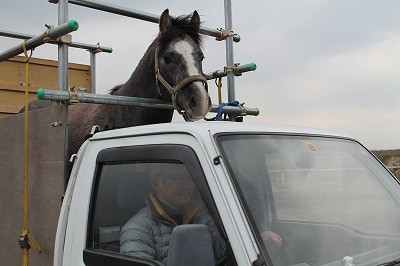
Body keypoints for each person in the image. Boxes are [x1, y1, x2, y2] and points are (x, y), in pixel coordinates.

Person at [120, 163, 226, 265]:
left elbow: (228, 252)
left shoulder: (201, 217)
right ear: (157, 183)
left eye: (190, 178)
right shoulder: (137, 229)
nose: (188, 186)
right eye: (179, 178)